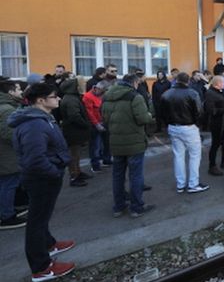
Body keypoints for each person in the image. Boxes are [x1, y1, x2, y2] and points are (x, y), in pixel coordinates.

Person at [8, 83, 75, 282]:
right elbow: (35, 159)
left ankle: (48, 244)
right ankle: (41, 267)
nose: (58, 99)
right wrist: (54, 172)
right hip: (42, 179)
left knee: (41, 217)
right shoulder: (34, 124)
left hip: (44, 176)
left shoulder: (41, 118)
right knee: (36, 221)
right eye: (54, 96)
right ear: (41, 100)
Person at [102, 74, 155, 217]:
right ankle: (136, 207)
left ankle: (118, 207)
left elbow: (105, 118)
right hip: (134, 143)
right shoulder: (135, 97)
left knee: (117, 175)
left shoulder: (107, 96)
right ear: (135, 83)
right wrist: (150, 115)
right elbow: (143, 118)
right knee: (135, 175)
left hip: (115, 142)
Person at [161, 73, 209, 194]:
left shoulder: (166, 94)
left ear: (176, 80)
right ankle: (193, 184)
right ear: (188, 81)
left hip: (173, 126)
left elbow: (161, 112)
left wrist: (168, 124)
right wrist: (197, 124)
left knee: (178, 156)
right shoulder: (192, 93)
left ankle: (180, 184)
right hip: (188, 127)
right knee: (194, 155)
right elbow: (199, 112)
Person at [0, 78, 26, 229]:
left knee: (7, 183)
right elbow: (9, 134)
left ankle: (7, 210)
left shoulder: (7, 107)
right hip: (7, 154)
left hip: (5, 153)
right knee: (8, 183)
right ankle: (7, 216)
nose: (21, 91)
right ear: (10, 92)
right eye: (18, 89)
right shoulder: (7, 110)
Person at [59, 77, 91, 187]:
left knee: (76, 155)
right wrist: (86, 124)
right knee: (73, 155)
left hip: (75, 131)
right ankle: (74, 176)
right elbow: (74, 116)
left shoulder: (72, 97)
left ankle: (78, 172)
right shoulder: (71, 99)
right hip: (73, 131)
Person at [82, 81, 109, 173]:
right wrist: (97, 124)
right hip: (95, 125)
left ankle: (104, 161)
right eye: (103, 92)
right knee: (95, 146)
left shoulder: (101, 95)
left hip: (102, 122)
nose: (103, 94)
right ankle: (95, 165)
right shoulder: (88, 97)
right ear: (98, 89)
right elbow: (89, 113)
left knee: (103, 145)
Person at [204, 76, 224, 176]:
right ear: (217, 83)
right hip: (216, 123)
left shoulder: (221, 91)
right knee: (215, 144)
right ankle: (212, 166)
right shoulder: (210, 93)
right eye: (223, 82)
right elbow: (211, 110)